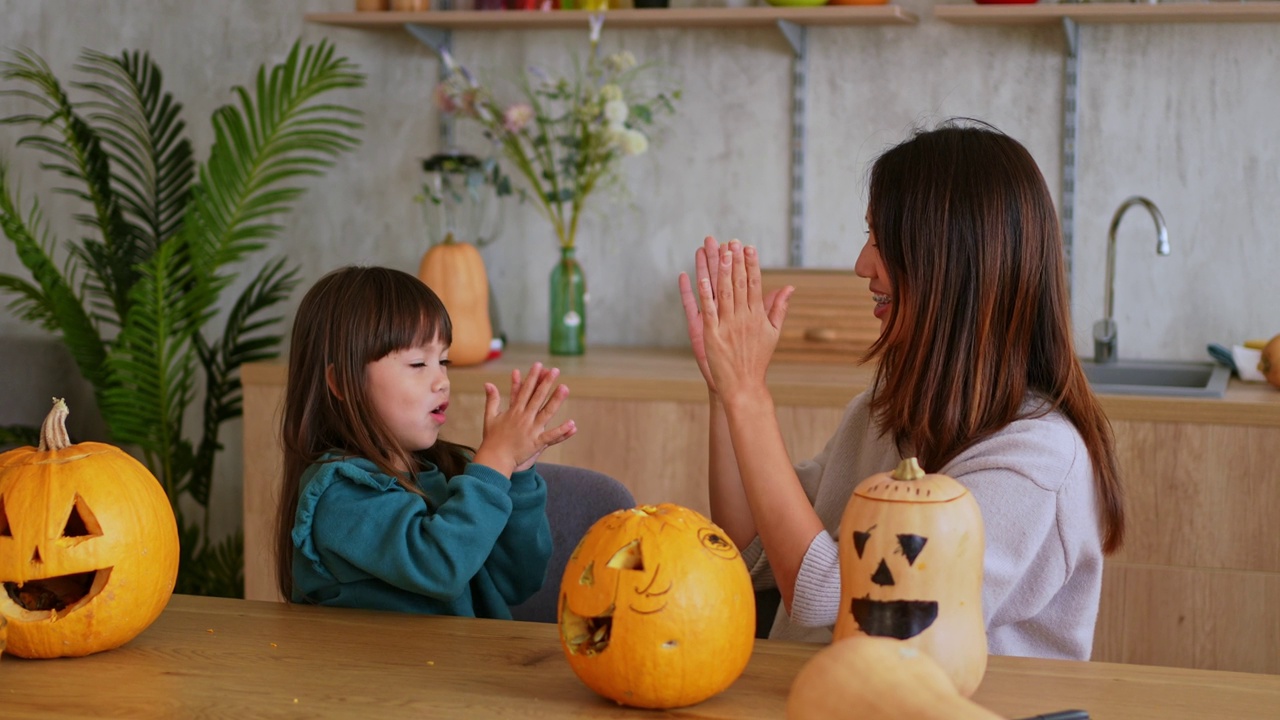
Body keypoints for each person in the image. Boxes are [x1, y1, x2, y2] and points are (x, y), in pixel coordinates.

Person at [677, 121, 1124, 661]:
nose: (862, 264)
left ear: (952, 262)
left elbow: (835, 599)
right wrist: (726, 394)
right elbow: (748, 541)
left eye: (881, 240)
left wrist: (750, 395)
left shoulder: (1033, 466)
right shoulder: (884, 413)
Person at [275, 265, 577, 619]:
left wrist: (518, 473)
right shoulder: (340, 497)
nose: (442, 381)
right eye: (418, 363)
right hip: (378, 674)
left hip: (464, 668)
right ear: (343, 382)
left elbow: (519, 582)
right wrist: (495, 463)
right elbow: (440, 567)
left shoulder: (458, 472)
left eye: (443, 360)